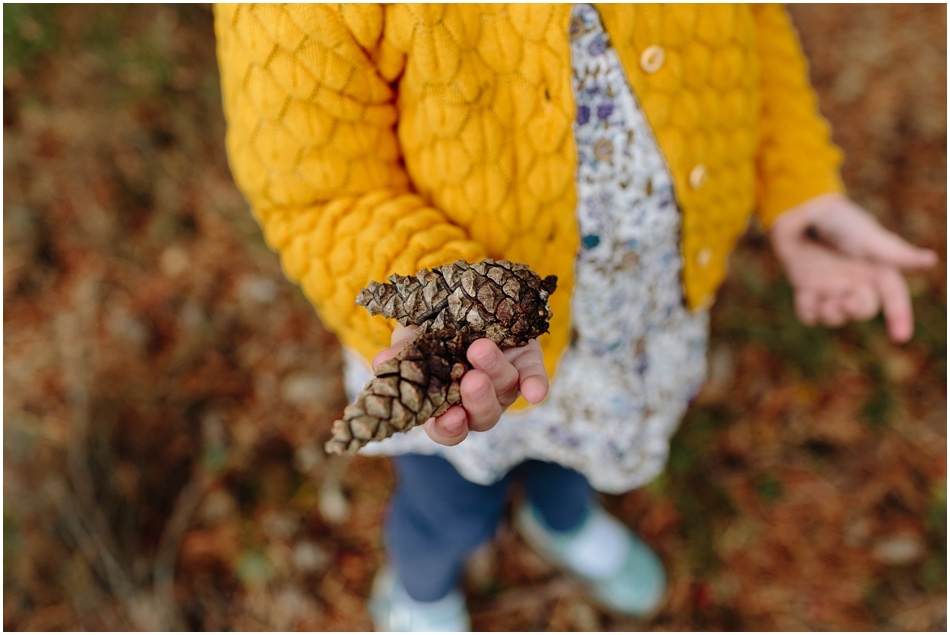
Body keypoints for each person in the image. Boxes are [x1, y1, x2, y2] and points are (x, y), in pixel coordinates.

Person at [214, 4, 937, 630]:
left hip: (635, 319)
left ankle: (559, 518)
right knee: (453, 504)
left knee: (576, 458)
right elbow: (319, 187)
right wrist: (442, 290)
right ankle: (420, 588)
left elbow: (747, 19)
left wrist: (796, 179)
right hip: (466, 348)